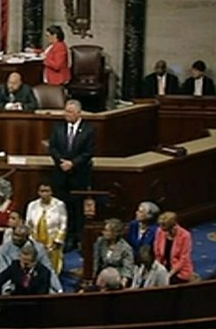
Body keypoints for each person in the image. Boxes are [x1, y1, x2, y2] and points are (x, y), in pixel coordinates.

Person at [48, 99, 94, 251]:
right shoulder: (58, 127)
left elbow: (88, 152)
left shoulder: (88, 130)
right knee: (62, 207)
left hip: (78, 175)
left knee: (77, 209)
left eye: (69, 112)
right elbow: (52, 147)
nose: (66, 114)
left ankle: (77, 238)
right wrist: (61, 161)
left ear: (78, 113)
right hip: (61, 175)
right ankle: (65, 237)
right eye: (65, 111)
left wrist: (72, 163)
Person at [0, 224, 62, 294]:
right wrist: (7, 289)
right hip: (15, 284)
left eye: (19, 236)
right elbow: (3, 270)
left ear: (27, 237)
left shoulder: (38, 248)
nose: (15, 238)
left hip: (36, 283)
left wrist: (59, 289)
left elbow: (48, 269)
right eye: (14, 234)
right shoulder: (4, 249)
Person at [25, 183, 67, 274]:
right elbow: (28, 224)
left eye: (47, 191)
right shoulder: (32, 205)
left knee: (52, 268)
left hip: (53, 241)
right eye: (42, 191)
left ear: (51, 192)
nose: (44, 194)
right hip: (35, 240)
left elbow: (63, 224)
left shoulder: (59, 204)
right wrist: (32, 241)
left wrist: (57, 241)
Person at [154, 211, 194, 284]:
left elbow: (184, 258)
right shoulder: (160, 231)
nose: (161, 228)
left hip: (179, 270)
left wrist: (170, 274)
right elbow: (157, 251)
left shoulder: (185, 235)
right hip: (163, 267)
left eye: (163, 225)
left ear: (172, 226)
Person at [93, 218, 134, 286]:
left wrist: (123, 283)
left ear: (115, 233)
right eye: (104, 230)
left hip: (116, 279)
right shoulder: (100, 242)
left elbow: (127, 268)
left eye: (107, 231)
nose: (103, 233)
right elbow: (95, 261)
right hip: (101, 277)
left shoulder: (125, 247)